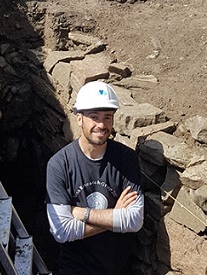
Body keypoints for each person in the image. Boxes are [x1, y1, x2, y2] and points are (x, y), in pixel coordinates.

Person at [46, 80, 144, 274]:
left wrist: (81, 213)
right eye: (94, 117)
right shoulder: (59, 165)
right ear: (79, 118)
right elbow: (61, 231)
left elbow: (134, 220)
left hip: (118, 267)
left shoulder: (126, 158)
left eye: (107, 117)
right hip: (76, 268)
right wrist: (115, 216)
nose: (101, 125)